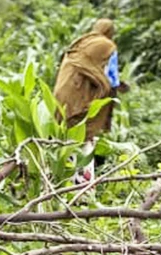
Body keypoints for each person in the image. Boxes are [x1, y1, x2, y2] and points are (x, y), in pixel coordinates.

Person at [53, 18, 129, 185]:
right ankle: (81, 188)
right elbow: (112, 77)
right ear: (110, 32)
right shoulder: (108, 47)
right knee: (85, 138)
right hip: (83, 99)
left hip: (63, 95)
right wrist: (119, 87)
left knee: (65, 137)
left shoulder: (81, 43)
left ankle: (59, 182)